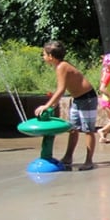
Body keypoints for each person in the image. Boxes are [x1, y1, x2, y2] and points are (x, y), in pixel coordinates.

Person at [35, 40, 98, 171]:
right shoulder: (61, 66)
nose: (43, 57)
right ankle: (68, 157)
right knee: (73, 128)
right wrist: (53, 105)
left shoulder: (62, 67)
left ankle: (89, 161)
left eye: (44, 54)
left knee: (88, 130)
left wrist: (47, 106)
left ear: (51, 56)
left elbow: (61, 90)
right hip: (78, 98)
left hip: (87, 98)